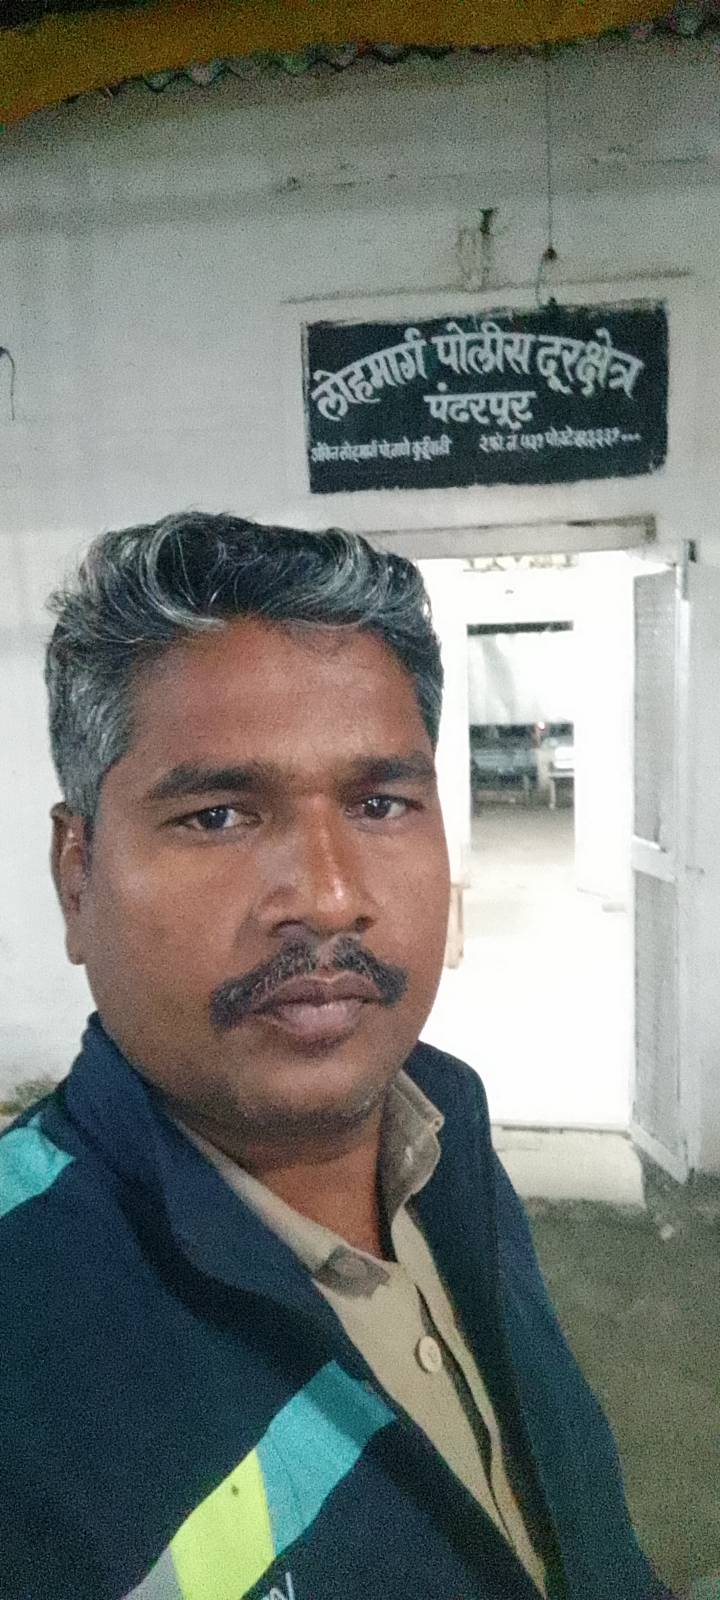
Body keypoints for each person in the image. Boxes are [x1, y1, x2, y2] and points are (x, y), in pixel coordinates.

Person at [0, 514, 674, 1600]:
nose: (326, 895)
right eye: (219, 814)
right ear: (77, 875)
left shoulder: (444, 1133)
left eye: (379, 803)